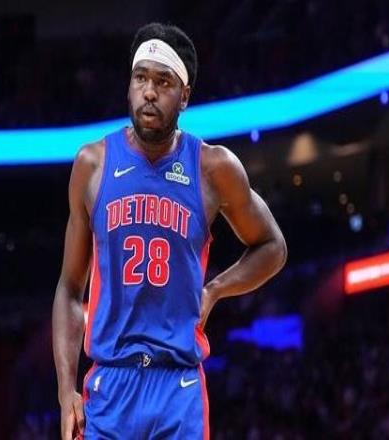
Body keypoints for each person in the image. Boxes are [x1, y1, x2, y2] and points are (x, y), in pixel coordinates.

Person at [52, 22, 287, 440]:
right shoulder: (92, 164)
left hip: (178, 385)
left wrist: (215, 290)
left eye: (163, 82)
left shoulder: (213, 167)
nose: (149, 92)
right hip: (110, 384)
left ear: (185, 96)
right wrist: (65, 389)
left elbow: (273, 246)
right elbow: (70, 289)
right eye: (140, 78)